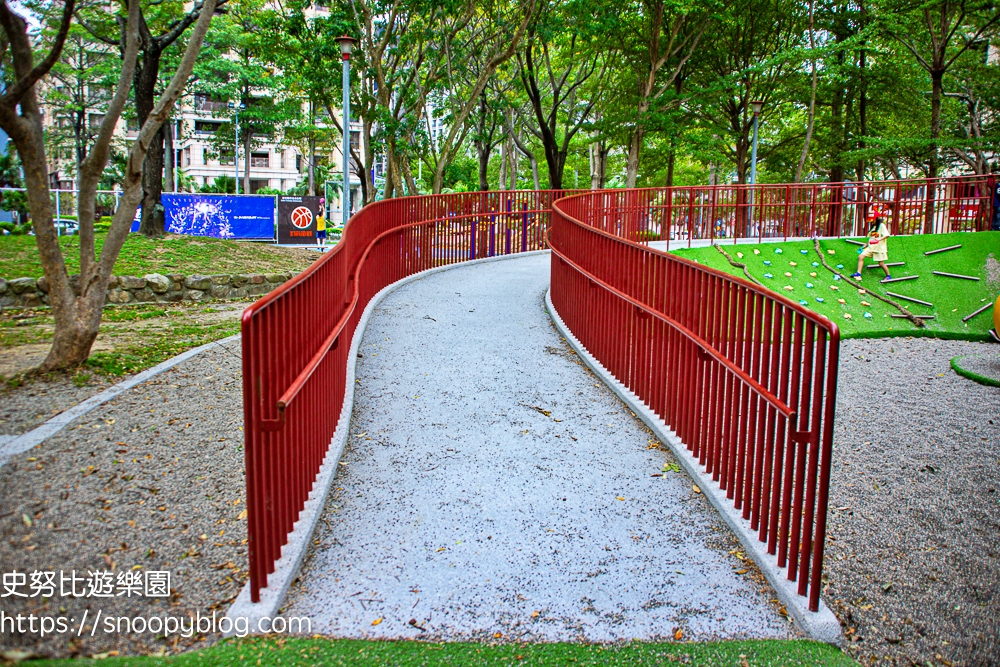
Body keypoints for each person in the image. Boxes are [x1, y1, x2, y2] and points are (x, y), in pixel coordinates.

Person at [851, 205, 891, 281]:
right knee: (860, 257)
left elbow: (887, 235)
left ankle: (888, 275)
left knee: (881, 263)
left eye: (872, 219)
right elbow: (871, 238)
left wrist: (879, 240)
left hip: (879, 248)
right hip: (871, 247)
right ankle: (858, 273)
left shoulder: (881, 225)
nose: (871, 221)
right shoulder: (873, 227)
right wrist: (865, 245)